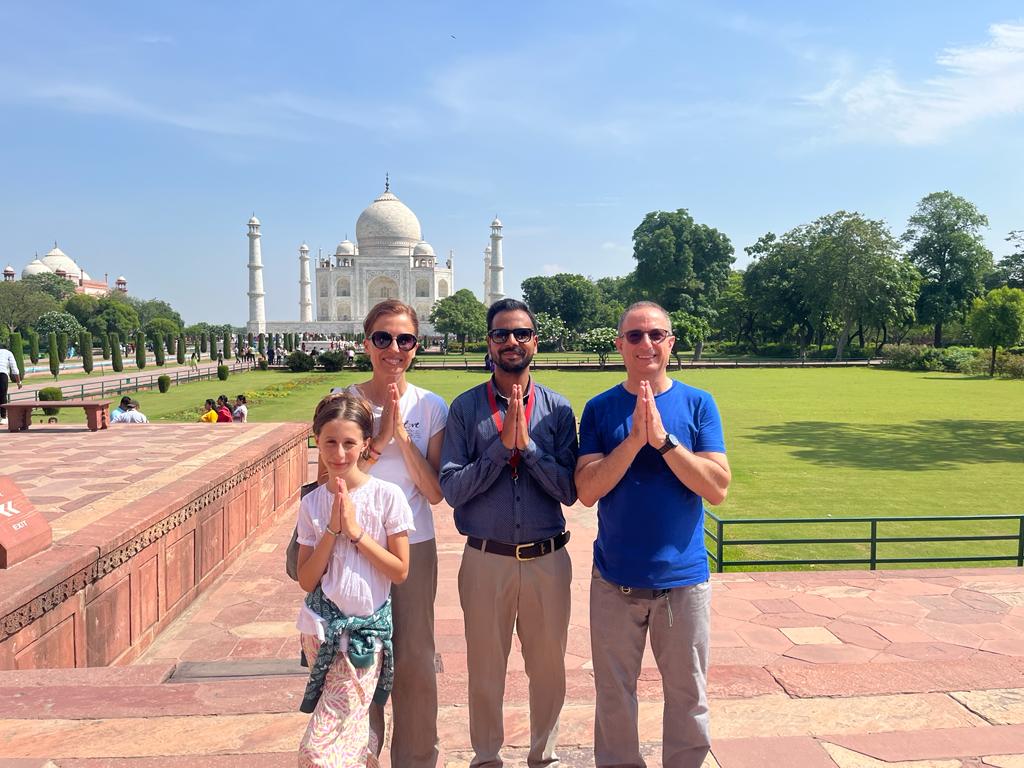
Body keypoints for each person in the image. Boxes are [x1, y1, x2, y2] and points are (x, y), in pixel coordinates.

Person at [575, 301, 731, 768]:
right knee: (614, 697)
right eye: (636, 335)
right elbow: (586, 490)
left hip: (682, 582)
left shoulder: (698, 403)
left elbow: (716, 487)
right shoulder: (602, 408)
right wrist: (633, 442)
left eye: (656, 334)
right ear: (620, 343)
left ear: (670, 343)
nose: (646, 343)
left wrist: (663, 442)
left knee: (688, 696)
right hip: (615, 579)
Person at [440, 298, 578, 768]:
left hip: (546, 557)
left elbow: (569, 490)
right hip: (485, 558)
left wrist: (530, 449)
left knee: (548, 669)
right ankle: (486, 757)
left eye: (521, 333)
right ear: (489, 343)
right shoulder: (464, 409)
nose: (512, 342)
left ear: (535, 341)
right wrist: (501, 449)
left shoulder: (557, 410)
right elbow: (453, 489)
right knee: (484, 668)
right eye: (501, 334)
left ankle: (545, 754)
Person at [334, 299, 447, 767]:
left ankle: (417, 759)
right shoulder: (345, 401)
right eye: (383, 338)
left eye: (404, 340)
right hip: (355, 546)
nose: (393, 349)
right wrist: (379, 438)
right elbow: (334, 478)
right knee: (359, 659)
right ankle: (361, 756)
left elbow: (436, 491)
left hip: (413, 546)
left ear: (416, 347)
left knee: (416, 661)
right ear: (367, 343)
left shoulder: (431, 406)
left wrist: (402, 434)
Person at [295, 392, 412, 767]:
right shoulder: (313, 503)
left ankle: (365, 748)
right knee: (345, 729)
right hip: (322, 632)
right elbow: (306, 578)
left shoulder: (385, 496)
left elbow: (400, 570)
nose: (339, 453)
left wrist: (356, 532)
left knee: (318, 750)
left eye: (349, 443)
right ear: (317, 439)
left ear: (366, 443)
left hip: (363, 636)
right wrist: (332, 528)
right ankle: (366, 751)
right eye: (330, 441)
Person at [0, 341, 24, 426]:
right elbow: (14, 369)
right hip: (2, 374)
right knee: (2, 396)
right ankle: (3, 417)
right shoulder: (8, 353)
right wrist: (19, 382)